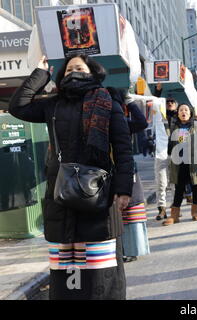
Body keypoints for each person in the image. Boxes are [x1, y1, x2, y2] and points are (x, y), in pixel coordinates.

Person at [9, 55, 134, 299]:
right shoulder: (53, 103)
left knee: (100, 270)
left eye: (79, 67)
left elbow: (123, 149)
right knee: (66, 269)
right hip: (60, 194)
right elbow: (18, 106)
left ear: (92, 72)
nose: (73, 72)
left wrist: (124, 189)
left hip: (98, 195)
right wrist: (39, 73)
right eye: (69, 69)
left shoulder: (107, 101)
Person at [107, 87, 150, 263]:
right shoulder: (94, 122)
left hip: (125, 172)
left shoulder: (121, 122)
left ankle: (131, 249)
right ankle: (118, 250)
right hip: (105, 174)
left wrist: (130, 102)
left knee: (130, 209)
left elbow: (142, 123)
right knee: (112, 214)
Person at [163, 104, 197, 225]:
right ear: (177, 113)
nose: (183, 112)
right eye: (181, 110)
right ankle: (174, 216)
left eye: (186, 110)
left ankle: (195, 213)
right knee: (179, 188)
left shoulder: (196, 125)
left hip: (194, 162)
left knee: (196, 187)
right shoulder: (174, 127)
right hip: (179, 162)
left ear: (190, 113)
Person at [151, 92, 178, 221]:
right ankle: (162, 209)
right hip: (161, 153)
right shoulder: (159, 116)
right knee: (161, 183)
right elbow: (154, 100)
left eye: (172, 102)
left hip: (175, 154)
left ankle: (174, 208)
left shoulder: (180, 118)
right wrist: (158, 89)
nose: (170, 104)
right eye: (167, 102)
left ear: (176, 105)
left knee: (174, 182)